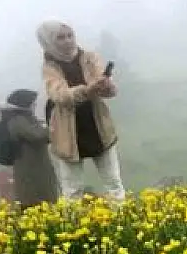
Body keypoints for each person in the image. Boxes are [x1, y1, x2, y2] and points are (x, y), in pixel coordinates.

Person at [38, 20, 126, 203]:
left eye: (70, 35)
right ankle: (74, 228)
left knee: (113, 183)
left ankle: (121, 221)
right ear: (49, 41)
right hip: (67, 131)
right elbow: (59, 95)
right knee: (72, 190)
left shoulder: (89, 57)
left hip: (97, 125)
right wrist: (87, 90)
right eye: (60, 38)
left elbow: (108, 90)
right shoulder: (50, 67)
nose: (68, 41)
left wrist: (106, 86)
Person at [0, 89, 59, 208]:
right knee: (34, 201)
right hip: (30, 170)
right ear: (24, 105)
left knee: (44, 200)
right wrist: (51, 130)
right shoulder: (17, 120)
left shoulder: (24, 118)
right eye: (33, 104)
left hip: (36, 166)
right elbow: (36, 135)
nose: (35, 106)